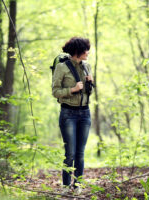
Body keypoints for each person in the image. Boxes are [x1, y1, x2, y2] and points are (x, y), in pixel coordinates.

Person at [52, 37, 93, 193]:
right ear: (78, 51)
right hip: (68, 113)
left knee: (80, 153)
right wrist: (73, 90)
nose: (88, 52)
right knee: (70, 152)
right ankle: (65, 185)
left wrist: (91, 83)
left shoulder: (87, 66)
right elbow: (55, 92)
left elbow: (89, 92)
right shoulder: (62, 68)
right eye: (85, 50)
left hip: (85, 113)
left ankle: (78, 185)